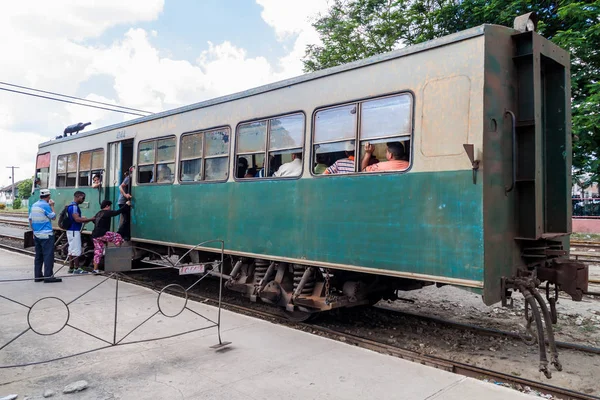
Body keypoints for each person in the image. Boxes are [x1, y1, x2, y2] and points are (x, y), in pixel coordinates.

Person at [29, 189, 61, 283]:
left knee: (38, 256)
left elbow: (30, 219)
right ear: (48, 197)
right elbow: (53, 217)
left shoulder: (34, 205)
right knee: (48, 256)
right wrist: (52, 206)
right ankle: (48, 276)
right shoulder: (46, 205)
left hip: (37, 234)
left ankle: (38, 276)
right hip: (46, 235)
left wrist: (34, 231)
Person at [91, 200, 131, 274]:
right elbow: (117, 212)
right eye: (110, 206)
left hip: (95, 235)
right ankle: (116, 252)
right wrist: (126, 205)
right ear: (107, 206)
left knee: (97, 252)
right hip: (102, 234)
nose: (110, 208)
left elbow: (94, 221)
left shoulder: (98, 213)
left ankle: (95, 269)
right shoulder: (107, 212)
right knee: (118, 236)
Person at [66, 191, 95, 274]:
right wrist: (90, 219)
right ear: (78, 197)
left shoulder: (71, 206)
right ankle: (77, 268)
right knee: (76, 250)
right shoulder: (74, 207)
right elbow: (77, 219)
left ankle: (71, 268)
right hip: (74, 230)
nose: (83, 200)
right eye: (83, 198)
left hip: (70, 230)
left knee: (71, 250)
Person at [117, 167, 133, 241]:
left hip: (126, 201)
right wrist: (125, 195)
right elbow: (120, 186)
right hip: (123, 201)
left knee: (126, 219)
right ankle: (119, 234)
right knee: (126, 219)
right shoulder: (129, 177)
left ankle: (125, 235)